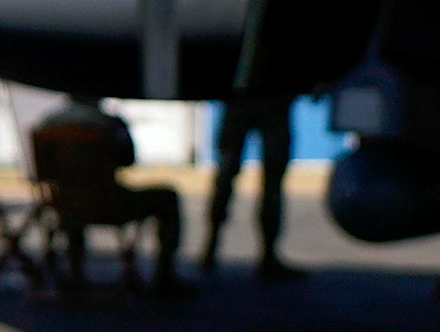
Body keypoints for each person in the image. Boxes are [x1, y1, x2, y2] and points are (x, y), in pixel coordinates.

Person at [27, 92, 183, 293]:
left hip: (66, 204)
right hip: (110, 204)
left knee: (73, 201)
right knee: (167, 196)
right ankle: (164, 276)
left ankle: (75, 272)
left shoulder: (48, 123)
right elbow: (128, 160)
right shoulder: (108, 123)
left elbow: (42, 172)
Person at [203, 84, 309, 281]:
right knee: (261, 182)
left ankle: (212, 248)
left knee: (231, 176)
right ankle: (216, 248)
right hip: (267, 98)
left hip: (249, 98)